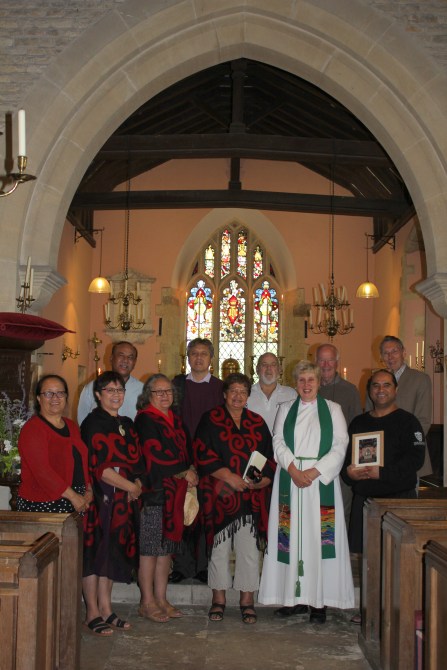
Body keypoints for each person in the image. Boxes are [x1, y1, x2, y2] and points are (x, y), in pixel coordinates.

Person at [258, 361, 354, 624]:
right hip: (290, 481)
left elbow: (340, 445)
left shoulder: (333, 410)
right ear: (295, 383)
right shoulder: (285, 408)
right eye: (301, 380)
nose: (306, 384)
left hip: (320, 483)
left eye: (311, 379)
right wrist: (293, 469)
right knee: (289, 539)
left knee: (318, 539)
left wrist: (312, 472)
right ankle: (293, 599)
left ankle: (318, 602)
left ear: (319, 382)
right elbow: (278, 441)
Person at [194, 372, 275, 625]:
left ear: (248, 396)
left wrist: (263, 480)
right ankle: (218, 598)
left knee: (248, 550)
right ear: (225, 394)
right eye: (233, 391)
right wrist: (229, 476)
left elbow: (269, 457)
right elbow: (202, 453)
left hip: (249, 496)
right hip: (220, 493)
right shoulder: (211, 419)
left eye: (243, 391)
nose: (238, 396)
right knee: (218, 550)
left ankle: (247, 600)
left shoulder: (257, 422)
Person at [81, 371, 143, 637]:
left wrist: (136, 483)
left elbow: (137, 460)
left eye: (120, 390)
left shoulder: (126, 423)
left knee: (112, 553)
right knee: (96, 554)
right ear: (98, 394)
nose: (116, 395)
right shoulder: (92, 423)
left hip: (123, 499)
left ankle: (107, 608)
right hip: (101, 498)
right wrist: (130, 487)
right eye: (110, 390)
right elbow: (100, 468)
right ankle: (92, 612)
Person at [134, 374, 198, 622]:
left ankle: (161, 598)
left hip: (175, 493)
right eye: (158, 392)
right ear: (148, 396)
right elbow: (153, 455)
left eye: (168, 391)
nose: (164, 396)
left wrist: (191, 470)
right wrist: (183, 472)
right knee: (150, 550)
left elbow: (188, 451)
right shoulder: (145, 420)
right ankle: (146, 602)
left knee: (166, 551)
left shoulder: (176, 420)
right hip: (154, 493)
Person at [342, 369, 426, 556]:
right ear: (369, 390)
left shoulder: (408, 421)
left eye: (386, 385)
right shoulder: (358, 423)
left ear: (396, 390)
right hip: (364, 502)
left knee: (399, 560)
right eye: (376, 385)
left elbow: (416, 460)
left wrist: (382, 473)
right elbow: (346, 461)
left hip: (398, 503)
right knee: (364, 562)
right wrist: (349, 473)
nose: (381, 389)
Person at [170, 337, 224, 583]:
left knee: (205, 514)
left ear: (211, 358)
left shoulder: (220, 388)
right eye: (194, 353)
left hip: (210, 461)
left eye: (204, 353)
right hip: (180, 461)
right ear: (188, 357)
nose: (199, 358)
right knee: (180, 511)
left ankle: (203, 565)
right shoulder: (176, 386)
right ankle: (182, 566)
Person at [17, 374, 92, 514]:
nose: (55, 398)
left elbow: (81, 460)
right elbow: (42, 471)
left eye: (60, 393)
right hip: (44, 502)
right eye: (48, 393)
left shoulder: (71, 426)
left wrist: (88, 489)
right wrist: (73, 496)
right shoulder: (33, 429)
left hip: (77, 500)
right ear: (38, 398)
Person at [366, 335, 432, 477]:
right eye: (386, 353)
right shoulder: (374, 380)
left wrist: (402, 446)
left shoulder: (420, 379)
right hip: (378, 455)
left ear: (404, 352)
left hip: (407, 454)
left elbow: (424, 420)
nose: (390, 356)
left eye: (394, 351)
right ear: (381, 357)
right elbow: (369, 417)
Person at [315, 343, 362, 526]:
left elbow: (356, 427)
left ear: (337, 362)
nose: (326, 365)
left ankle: (340, 545)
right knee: (316, 512)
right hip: (313, 461)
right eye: (322, 360)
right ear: (316, 362)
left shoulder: (350, 390)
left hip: (341, 461)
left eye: (330, 360)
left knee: (341, 512)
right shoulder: (308, 388)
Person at [77, 341, 143, 424]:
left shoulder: (143, 390)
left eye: (130, 357)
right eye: (121, 355)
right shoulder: (91, 388)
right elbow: (82, 421)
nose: (125, 360)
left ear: (134, 362)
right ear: (111, 358)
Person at [246, 352, 297, 433]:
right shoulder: (246, 394)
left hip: (281, 441)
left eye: (273, 365)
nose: (269, 368)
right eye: (264, 364)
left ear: (279, 369)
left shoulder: (291, 394)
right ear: (257, 369)